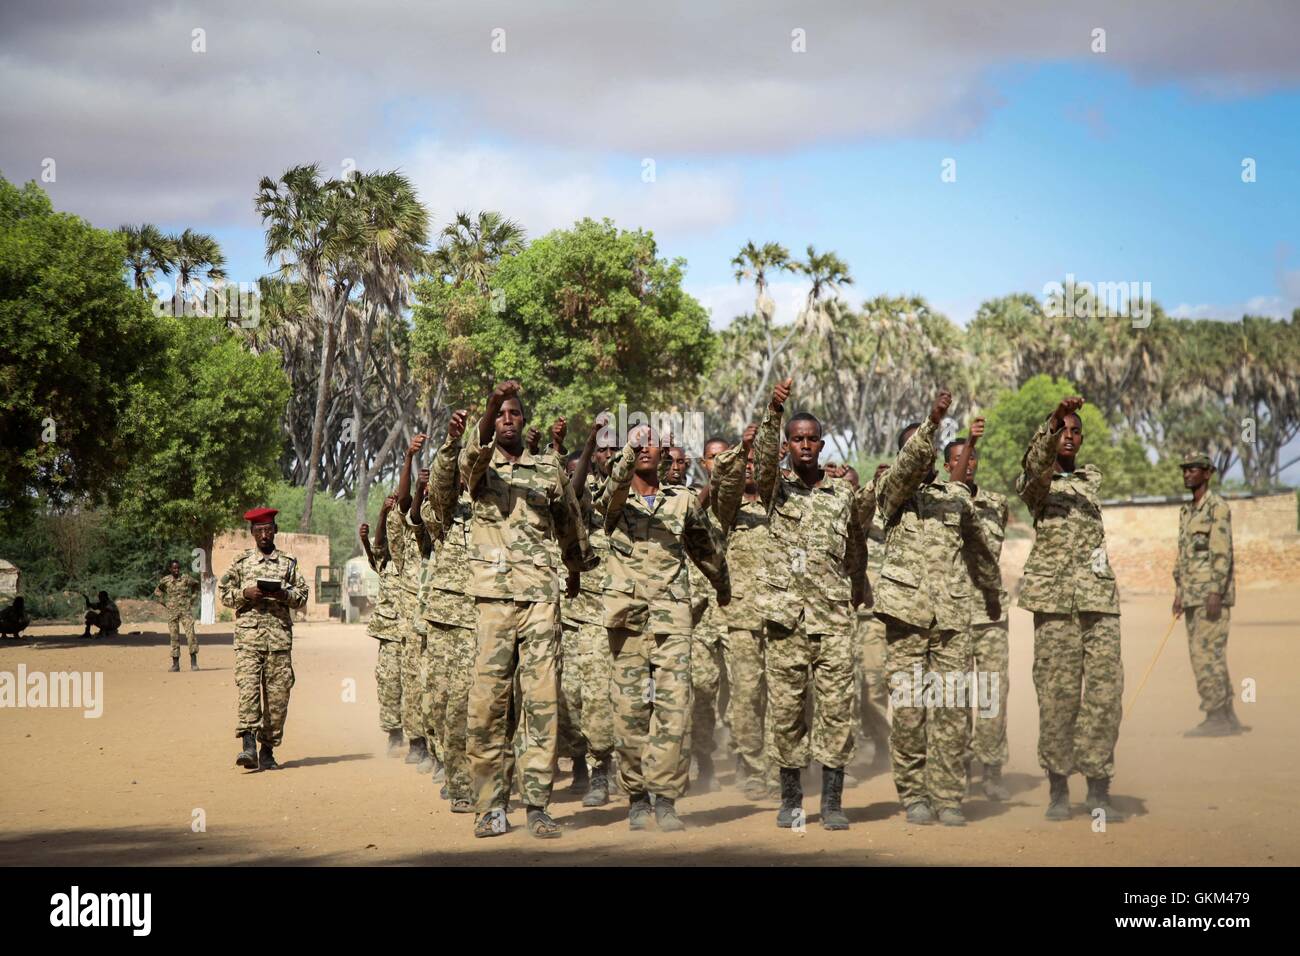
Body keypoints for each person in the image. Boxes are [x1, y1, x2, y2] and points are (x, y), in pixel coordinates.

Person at [460, 381, 594, 839]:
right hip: (493, 602)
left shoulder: (548, 471)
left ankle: (537, 803)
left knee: (541, 703)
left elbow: (570, 524)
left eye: (514, 413)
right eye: (500, 413)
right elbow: (471, 453)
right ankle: (490, 806)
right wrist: (489, 403)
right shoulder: (479, 466)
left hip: (540, 598)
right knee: (488, 707)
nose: (507, 419)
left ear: (524, 419)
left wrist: (575, 569)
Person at [873, 392, 1002, 828]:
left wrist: (991, 591)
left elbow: (980, 550)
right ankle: (914, 795)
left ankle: (949, 797)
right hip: (906, 620)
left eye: (930, 451)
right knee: (910, 714)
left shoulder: (955, 498)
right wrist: (932, 423)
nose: (925, 458)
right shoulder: (889, 494)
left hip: (950, 620)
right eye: (918, 450)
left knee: (952, 713)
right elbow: (907, 467)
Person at [597, 423, 731, 831]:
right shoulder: (614, 500)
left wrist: (722, 584)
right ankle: (637, 796)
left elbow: (704, 546)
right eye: (637, 442)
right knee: (631, 713)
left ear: (665, 453)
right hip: (629, 621)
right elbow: (612, 490)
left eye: (652, 442)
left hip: (673, 621)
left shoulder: (682, 501)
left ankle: (667, 798)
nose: (644, 448)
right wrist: (626, 448)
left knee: (674, 712)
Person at [753, 377, 869, 831]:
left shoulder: (842, 492)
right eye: (795, 440)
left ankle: (833, 803)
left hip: (834, 620)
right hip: (785, 620)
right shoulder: (774, 490)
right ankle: (791, 798)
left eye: (810, 439)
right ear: (787, 445)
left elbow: (856, 544)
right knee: (786, 712)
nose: (804, 445)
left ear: (822, 445)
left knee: (838, 710)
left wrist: (860, 585)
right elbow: (761, 462)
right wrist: (773, 412)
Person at [1015, 395, 1124, 821]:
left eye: (1076, 431)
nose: (1070, 436)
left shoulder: (1089, 480)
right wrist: (1054, 417)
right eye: (1063, 430)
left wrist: (1062, 422)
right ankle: (1058, 789)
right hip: (1055, 605)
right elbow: (1034, 467)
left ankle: (1099, 789)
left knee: (1104, 697)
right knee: (1058, 698)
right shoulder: (1036, 487)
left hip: (1099, 602)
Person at [411, 409, 480, 813]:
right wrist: (451, 442)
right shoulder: (444, 510)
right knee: (446, 705)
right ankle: (458, 782)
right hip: (448, 620)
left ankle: (491, 781)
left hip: (493, 615)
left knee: (490, 707)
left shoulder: (495, 505)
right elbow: (437, 484)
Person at [944, 419, 1012, 800]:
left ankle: (992, 769)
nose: (966, 464)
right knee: (954, 694)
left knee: (991, 693)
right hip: (952, 612)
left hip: (989, 614)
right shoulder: (940, 505)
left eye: (971, 459)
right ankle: (959, 763)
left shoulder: (995, 504)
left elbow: (991, 552)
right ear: (946, 466)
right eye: (958, 459)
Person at [712, 425, 781, 801]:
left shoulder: (781, 504)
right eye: (747, 462)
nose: (752, 467)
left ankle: (777, 769)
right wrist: (744, 449)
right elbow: (723, 482)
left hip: (780, 615)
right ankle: (753, 766)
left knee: (781, 696)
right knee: (745, 696)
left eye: (757, 461)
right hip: (740, 618)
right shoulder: (728, 509)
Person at [218, 507, 309, 771]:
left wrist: (285, 596)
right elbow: (224, 593)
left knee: (278, 698)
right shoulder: (241, 562)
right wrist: (245, 593)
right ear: (252, 533)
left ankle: (267, 749)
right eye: (259, 531)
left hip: (279, 640)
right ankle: (248, 747)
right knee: (248, 692)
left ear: (275, 531)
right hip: (248, 639)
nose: (265, 535)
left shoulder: (289, 563)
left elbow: (302, 596)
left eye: (269, 529)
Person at [563, 413, 621, 807]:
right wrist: (585, 444)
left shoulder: (634, 490)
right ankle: (586, 767)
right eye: (603, 449)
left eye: (614, 449)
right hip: (581, 612)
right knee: (577, 695)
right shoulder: (585, 492)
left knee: (617, 696)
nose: (609, 455)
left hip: (623, 610)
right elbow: (573, 491)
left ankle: (613, 771)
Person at [1174, 452, 1240, 737]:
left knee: (1206, 657)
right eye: (1185, 469)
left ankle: (1215, 715)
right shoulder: (1187, 512)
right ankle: (1227, 715)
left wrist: (1215, 590)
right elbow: (1183, 556)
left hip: (1211, 596)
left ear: (1207, 473)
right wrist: (1179, 592)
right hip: (1191, 595)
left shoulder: (1217, 507)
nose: (1188, 473)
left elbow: (1222, 552)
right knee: (1206, 655)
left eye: (1194, 469)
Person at [389, 435, 435, 772]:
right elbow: (408, 503)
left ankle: (438, 745)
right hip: (411, 612)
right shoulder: (410, 523)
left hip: (444, 611)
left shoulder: (448, 518)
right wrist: (409, 458)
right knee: (415, 680)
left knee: (438, 681)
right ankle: (417, 741)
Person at [361, 495, 405, 756]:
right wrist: (381, 514)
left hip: (415, 631)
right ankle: (394, 733)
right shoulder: (385, 562)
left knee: (417, 685)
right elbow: (377, 547)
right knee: (389, 682)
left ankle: (421, 736)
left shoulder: (418, 558)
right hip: (390, 632)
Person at [154, 559, 200, 672]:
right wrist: (164, 602)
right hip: (172, 613)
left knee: (191, 636)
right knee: (174, 637)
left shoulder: (186, 578)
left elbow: (196, 585)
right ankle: (175, 665)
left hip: (186, 612)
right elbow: (158, 591)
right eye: (174, 568)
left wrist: (192, 599)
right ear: (170, 569)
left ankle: (194, 663)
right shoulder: (166, 580)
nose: (176, 570)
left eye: (178, 568)